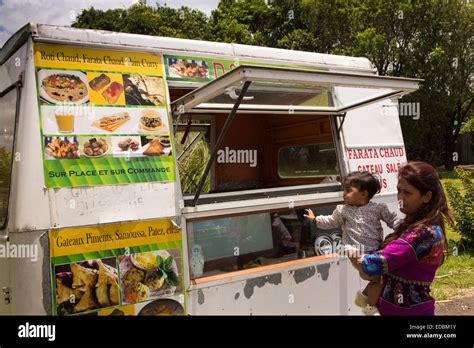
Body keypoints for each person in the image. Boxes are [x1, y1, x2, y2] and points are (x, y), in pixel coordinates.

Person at [348, 161, 453, 315]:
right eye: (399, 191)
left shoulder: (424, 234)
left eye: (407, 193)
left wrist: (350, 251)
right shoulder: (412, 226)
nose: (400, 198)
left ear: (426, 196)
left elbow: (372, 266)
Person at [304, 171, 400, 315]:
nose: (344, 193)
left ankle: (363, 298)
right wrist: (315, 219)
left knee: (380, 280)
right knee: (374, 275)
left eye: (348, 190)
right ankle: (370, 309)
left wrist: (406, 229)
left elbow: (393, 220)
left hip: (373, 252)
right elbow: (331, 221)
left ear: (363, 194)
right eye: (344, 189)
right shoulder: (342, 210)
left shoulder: (378, 208)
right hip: (353, 250)